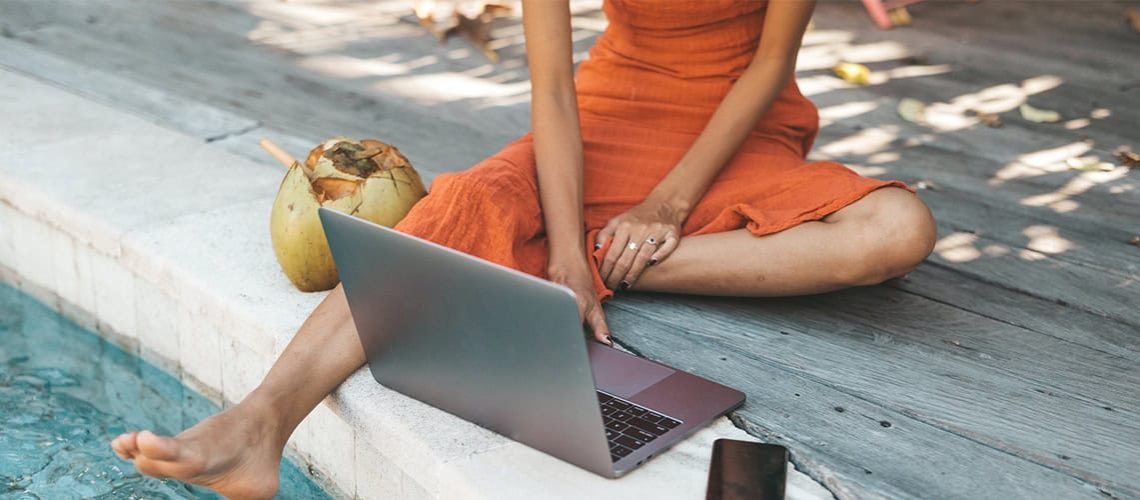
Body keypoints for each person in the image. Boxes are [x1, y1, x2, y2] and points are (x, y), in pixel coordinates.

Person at [110, 0, 935, 497]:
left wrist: (665, 205)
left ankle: (574, 248)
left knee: (897, 230)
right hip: (607, 112)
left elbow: (768, 67)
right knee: (468, 202)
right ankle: (261, 423)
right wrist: (573, 261)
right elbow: (553, 91)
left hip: (739, 125)